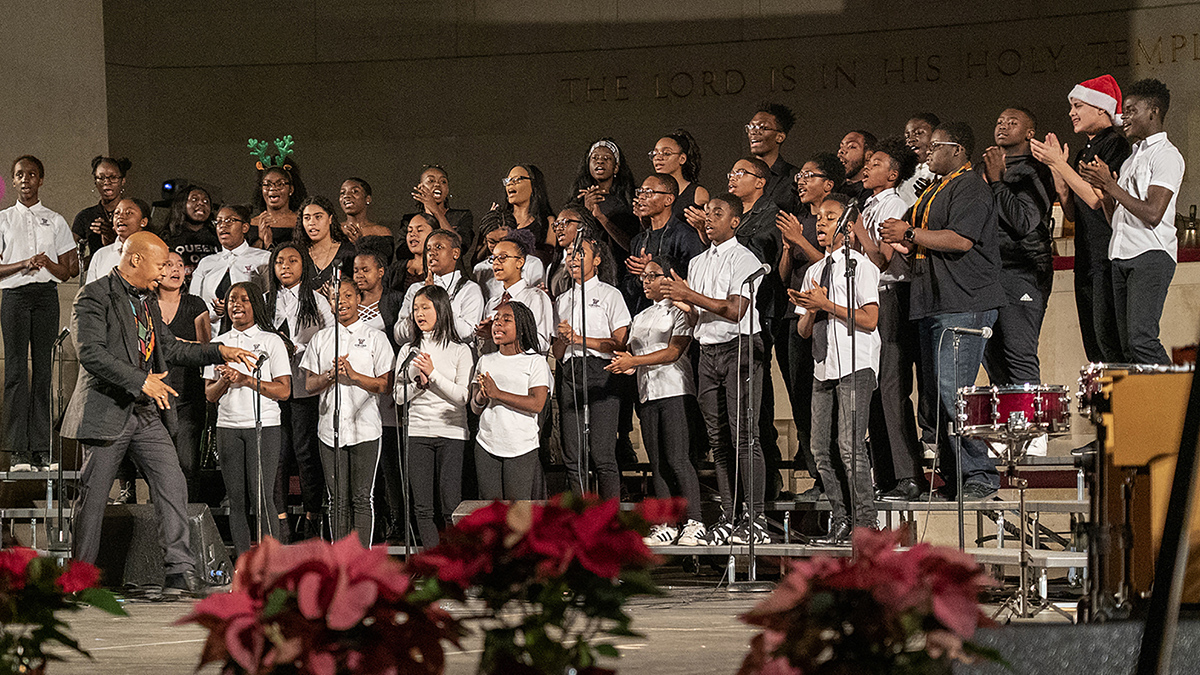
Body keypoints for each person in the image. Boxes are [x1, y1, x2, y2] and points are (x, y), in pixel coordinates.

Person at [63, 231, 256, 596]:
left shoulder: (147, 301)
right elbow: (90, 352)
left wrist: (219, 351)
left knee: (172, 482)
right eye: (160, 263)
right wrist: (141, 381)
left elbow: (169, 348)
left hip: (146, 414)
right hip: (109, 410)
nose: (164, 271)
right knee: (94, 495)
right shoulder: (93, 295)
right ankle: (79, 579)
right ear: (135, 259)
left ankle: (178, 572)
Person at [880, 122, 1005, 501]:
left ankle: (981, 474)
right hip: (933, 303)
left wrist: (909, 234)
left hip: (964, 303)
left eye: (936, 146)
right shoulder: (934, 188)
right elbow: (918, 238)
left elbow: (960, 240)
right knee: (936, 399)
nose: (927, 152)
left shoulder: (970, 187)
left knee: (956, 394)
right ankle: (955, 477)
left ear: (958, 151)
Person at [660, 193, 768, 545]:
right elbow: (699, 314)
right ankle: (730, 514)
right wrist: (679, 299)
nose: (709, 218)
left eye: (717, 213)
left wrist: (691, 297)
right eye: (706, 213)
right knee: (719, 440)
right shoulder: (698, 262)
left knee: (743, 435)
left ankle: (755, 517)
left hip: (739, 349)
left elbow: (736, 310)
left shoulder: (745, 259)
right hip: (708, 352)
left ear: (734, 221)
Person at [792, 194, 881, 544]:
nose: (821, 222)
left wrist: (826, 303)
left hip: (855, 364)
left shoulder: (860, 266)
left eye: (830, 217)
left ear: (847, 226)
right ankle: (841, 517)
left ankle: (866, 521)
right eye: (820, 217)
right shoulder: (814, 271)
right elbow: (802, 329)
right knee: (819, 449)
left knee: (849, 445)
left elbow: (871, 320)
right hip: (822, 365)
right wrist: (811, 309)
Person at [1080, 78, 1184, 365]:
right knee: (1126, 347)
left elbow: (1153, 213)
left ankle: (1175, 404)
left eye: (1130, 110)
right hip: (1121, 255)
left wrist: (1112, 188)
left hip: (1150, 255)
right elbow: (1117, 220)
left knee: (1142, 340)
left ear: (1152, 111)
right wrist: (1104, 194)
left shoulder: (1166, 156)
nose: (1123, 117)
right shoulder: (1131, 159)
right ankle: (1144, 408)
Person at [1030, 75, 1131, 363]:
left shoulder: (1115, 145)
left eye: (1078, 105)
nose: (1071, 113)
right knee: (1094, 346)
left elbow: (1096, 199)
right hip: (1086, 258)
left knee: (1110, 342)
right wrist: (1057, 174)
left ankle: (1123, 406)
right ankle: (1104, 406)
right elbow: (1073, 212)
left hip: (1108, 257)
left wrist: (1059, 163)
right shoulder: (1085, 150)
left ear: (1102, 109)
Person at [845, 138, 925, 501]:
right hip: (868, 300)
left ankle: (909, 474)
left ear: (893, 174)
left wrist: (859, 228)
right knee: (873, 390)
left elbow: (881, 260)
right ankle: (886, 474)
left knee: (892, 389)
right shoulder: (867, 203)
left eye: (876, 163)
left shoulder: (895, 203)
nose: (867, 168)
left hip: (891, 298)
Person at [607, 255, 704, 546]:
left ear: (669, 278)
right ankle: (667, 522)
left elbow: (674, 351)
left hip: (674, 390)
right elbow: (628, 350)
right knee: (657, 462)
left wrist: (634, 360)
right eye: (644, 277)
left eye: (653, 276)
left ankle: (695, 520)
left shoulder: (678, 311)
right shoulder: (642, 315)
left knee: (678, 458)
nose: (646, 282)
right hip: (647, 392)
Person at [300, 278, 394, 546]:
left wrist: (353, 376)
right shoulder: (321, 338)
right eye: (335, 298)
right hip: (329, 428)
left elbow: (385, 385)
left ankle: (360, 562)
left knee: (362, 498)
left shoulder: (375, 337)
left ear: (358, 299)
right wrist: (330, 375)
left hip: (365, 428)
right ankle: (340, 562)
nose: (341, 302)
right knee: (336, 499)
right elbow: (309, 385)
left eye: (347, 296)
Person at [0, 155, 79, 471]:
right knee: (17, 370)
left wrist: (47, 264)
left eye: (31, 174)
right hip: (14, 297)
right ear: (13, 179)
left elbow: (69, 270)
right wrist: (23, 264)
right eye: (19, 174)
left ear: (41, 180)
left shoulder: (55, 220)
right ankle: (18, 451)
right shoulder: (4, 219)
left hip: (46, 297)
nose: (25, 179)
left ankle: (43, 449)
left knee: (44, 371)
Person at [776, 153, 845, 500]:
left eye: (809, 175)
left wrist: (801, 241)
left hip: (830, 314)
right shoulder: (799, 219)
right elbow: (784, 275)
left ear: (828, 184)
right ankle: (818, 476)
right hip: (796, 314)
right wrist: (788, 248)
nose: (800, 181)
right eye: (799, 175)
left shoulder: (840, 219)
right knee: (800, 398)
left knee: (828, 400)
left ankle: (839, 478)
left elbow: (834, 264)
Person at [204, 282, 291, 555]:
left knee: (262, 497)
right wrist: (225, 383)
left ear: (256, 304)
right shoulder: (219, 344)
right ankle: (244, 564)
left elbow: (285, 390)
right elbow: (209, 394)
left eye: (243, 299)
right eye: (231, 300)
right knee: (237, 501)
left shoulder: (270, 340)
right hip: (228, 426)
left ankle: (270, 563)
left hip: (263, 425)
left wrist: (246, 379)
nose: (236, 304)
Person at [979, 109, 1056, 403]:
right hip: (988, 273)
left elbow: (1024, 220)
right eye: (999, 121)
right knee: (992, 356)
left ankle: (1032, 433)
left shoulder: (1036, 170)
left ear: (1029, 133)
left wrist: (998, 182)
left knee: (1019, 352)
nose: (1003, 126)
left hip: (1023, 270)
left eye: (1013, 123)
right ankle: (1010, 433)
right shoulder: (983, 167)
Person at [394, 285, 473, 547]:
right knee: (422, 507)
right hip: (417, 432)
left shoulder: (460, 350)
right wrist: (418, 386)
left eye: (425, 307)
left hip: (451, 432)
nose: (419, 313)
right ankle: (432, 563)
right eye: (415, 308)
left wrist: (434, 375)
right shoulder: (407, 351)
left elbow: (463, 396)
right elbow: (397, 395)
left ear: (441, 309)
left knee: (450, 505)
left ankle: (454, 563)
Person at [552, 237, 630, 500]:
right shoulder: (562, 299)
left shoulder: (610, 294)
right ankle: (582, 518)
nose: (573, 258)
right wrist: (564, 341)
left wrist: (579, 339)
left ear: (596, 260)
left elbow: (619, 342)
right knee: (573, 455)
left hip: (602, 370)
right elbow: (557, 352)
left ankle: (609, 521)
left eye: (580, 253)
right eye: (570, 254)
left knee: (602, 453)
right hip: (571, 370)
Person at [265, 242, 333, 540]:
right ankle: (280, 519)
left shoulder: (316, 300)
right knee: (277, 455)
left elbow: (331, 335)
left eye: (292, 260)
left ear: (303, 264)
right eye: (280, 261)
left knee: (306, 454)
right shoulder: (266, 299)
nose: (286, 266)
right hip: (273, 386)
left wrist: (299, 348)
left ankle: (311, 516)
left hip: (304, 384)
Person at [727, 157, 784, 497]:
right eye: (731, 173)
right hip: (730, 322)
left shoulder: (770, 215)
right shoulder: (736, 215)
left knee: (758, 403)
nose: (732, 178)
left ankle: (768, 480)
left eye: (740, 173)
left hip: (762, 312)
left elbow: (763, 255)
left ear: (760, 181)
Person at [471, 301, 552, 500]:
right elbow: (474, 407)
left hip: (520, 446)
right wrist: (483, 395)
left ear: (522, 327)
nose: (498, 324)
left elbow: (537, 404)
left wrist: (498, 393)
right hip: (487, 445)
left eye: (506, 320)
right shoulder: (485, 360)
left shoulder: (535, 361)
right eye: (496, 319)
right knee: (492, 514)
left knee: (517, 515)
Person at [353, 249, 404, 542]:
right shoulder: (348, 303)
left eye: (365, 270)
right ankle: (379, 521)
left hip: (386, 392)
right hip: (358, 396)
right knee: (372, 464)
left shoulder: (394, 301)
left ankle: (398, 521)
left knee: (391, 462)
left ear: (381, 271)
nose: (359, 276)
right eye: (356, 271)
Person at [155, 251, 212, 501]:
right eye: (169, 264)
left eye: (180, 265)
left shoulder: (195, 304)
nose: (177, 269)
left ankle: (190, 521)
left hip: (188, 396)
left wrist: (176, 344)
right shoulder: (145, 303)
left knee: (187, 463)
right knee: (157, 465)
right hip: (154, 396)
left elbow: (206, 347)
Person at [622, 174, 706, 315]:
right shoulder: (638, 240)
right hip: (644, 316)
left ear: (669, 199)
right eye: (640, 192)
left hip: (677, 315)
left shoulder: (686, 235)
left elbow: (693, 281)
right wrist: (641, 277)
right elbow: (627, 288)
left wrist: (654, 273)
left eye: (648, 193)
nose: (641, 197)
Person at [189, 204, 272, 334]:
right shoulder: (206, 263)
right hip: (211, 337)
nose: (223, 225)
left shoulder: (263, 258)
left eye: (230, 220)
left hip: (252, 335)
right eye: (219, 221)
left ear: (245, 227)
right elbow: (193, 303)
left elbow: (271, 300)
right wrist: (215, 313)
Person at [396, 229, 484, 344]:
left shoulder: (469, 289)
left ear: (455, 253)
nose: (431, 252)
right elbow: (399, 336)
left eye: (438, 247)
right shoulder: (415, 289)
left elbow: (467, 334)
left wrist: (435, 300)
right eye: (428, 249)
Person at [477, 230, 554, 353]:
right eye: (493, 258)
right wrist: (487, 335)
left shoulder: (535, 298)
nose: (496, 262)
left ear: (520, 262)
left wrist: (505, 333)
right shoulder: (492, 303)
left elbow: (542, 343)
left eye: (503, 257)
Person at [571, 138, 639, 255]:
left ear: (616, 167)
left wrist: (601, 217)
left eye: (606, 158)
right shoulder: (577, 200)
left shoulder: (628, 201)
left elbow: (632, 245)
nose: (600, 162)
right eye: (595, 158)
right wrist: (586, 212)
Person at [473, 209, 545, 303]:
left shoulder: (532, 264)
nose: (498, 246)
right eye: (492, 242)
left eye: (503, 240)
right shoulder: (480, 270)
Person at [72, 155, 129, 266]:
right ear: (95, 182)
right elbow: (72, 262)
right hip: (98, 276)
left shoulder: (133, 212)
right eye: (101, 178)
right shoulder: (85, 216)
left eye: (113, 177)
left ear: (122, 181)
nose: (107, 182)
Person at [403, 165, 475, 253]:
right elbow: (402, 253)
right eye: (431, 181)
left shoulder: (462, 216)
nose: (437, 184)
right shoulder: (409, 220)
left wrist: (436, 212)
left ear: (447, 189)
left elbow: (461, 245)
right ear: (420, 187)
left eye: (443, 182)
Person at [746, 101, 800, 213]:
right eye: (751, 126)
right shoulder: (741, 176)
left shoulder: (793, 179)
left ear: (780, 137)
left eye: (763, 128)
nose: (754, 132)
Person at [650, 129, 710, 230]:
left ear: (682, 158)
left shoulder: (697, 193)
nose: (658, 157)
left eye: (666, 153)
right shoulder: (650, 192)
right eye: (655, 153)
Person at [295, 195, 356, 289]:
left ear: (330, 219)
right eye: (307, 218)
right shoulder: (298, 255)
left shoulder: (348, 253)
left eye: (318, 217)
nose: (312, 222)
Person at [84, 197, 150, 285]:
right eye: (117, 213)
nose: (121, 217)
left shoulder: (155, 253)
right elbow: (90, 293)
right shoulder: (101, 255)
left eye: (129, 213)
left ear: (143, 222)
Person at [500, 164, 556, 264]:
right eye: (508, 180)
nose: (510, 184)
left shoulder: (548, 222)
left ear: (534, 185)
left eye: (518, 179)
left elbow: (547, 259)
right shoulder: (499, 220)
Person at [164, 185, 221, 281]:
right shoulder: (167, 237)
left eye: (206, 201)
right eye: (194, 199)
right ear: (181, 204)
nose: (201, 203)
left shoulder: (218, 237)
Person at [250, 163, 308, 249]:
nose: (273, 188)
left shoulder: (302, 223)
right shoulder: (250, 224)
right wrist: (261, 240)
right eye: (267, 184)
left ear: (291, 190)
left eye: (280, 184)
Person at [899, 113, 942, 206]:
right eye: (907, 136)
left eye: (918, 133)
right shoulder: (901, 174)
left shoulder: (944, 174)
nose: (911, 139)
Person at [339, 177, 392, 247]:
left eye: (355, 191)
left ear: (368, 199)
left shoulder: (382, 232)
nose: (346, 196)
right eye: (342, 193)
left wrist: (359, 243)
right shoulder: (332, 231)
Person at [838, 130, 878, 203]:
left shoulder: (872, 195)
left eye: (851, 147)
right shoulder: (835, 188)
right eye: (841, 146)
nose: (841, 151)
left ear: (868, 156)